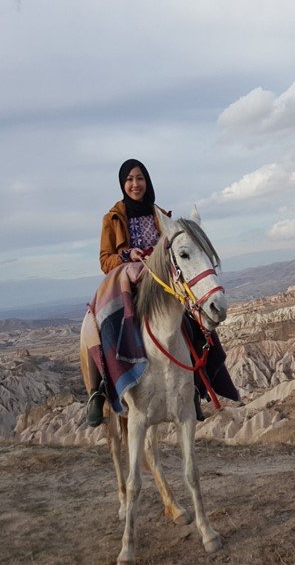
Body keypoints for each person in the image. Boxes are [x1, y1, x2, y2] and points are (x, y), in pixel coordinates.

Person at [87, 158, 208, 426]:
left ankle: (197, 385)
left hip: (161, 283)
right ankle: (99, 392)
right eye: (129, 179)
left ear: (147, 181)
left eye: (139, 178)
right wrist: (127, 255)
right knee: (100, 322)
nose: (135, 184)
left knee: (194, 319)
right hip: (127, 282)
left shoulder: (161, 215)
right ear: (122, 184)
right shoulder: (112, 218)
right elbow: (105, 261)